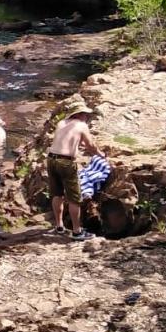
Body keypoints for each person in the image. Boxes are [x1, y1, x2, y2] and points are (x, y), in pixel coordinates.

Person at [47, 99, 103, 241]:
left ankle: (59, 226)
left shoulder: (61, 123)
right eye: (85, 114)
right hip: (66, 162)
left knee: (57, 194)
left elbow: (65, 140)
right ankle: (77, 232)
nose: (87, 117)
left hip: (51, 159)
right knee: (74, 198)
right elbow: (90, 145)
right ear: (79, 114)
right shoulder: (81, 125)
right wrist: (100, 154)